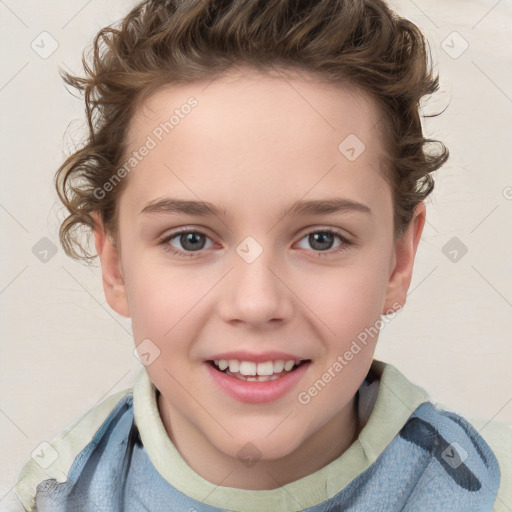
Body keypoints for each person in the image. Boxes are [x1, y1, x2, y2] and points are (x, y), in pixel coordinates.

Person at [15, 0, 511, 510]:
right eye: (191, 239)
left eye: (321, 239)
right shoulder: (47, 495)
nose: (255, 303)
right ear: (115, 265)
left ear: (398, 262)